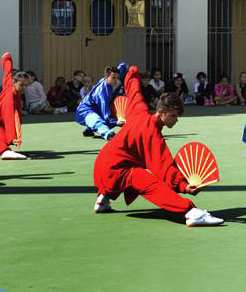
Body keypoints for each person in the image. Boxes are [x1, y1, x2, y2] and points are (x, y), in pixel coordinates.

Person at [92, 67, 223, 227]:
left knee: (129, 162)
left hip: (101, 164)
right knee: (151, 184)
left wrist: (132, 73)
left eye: (178, 117)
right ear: (161, 112)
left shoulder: (139, 110)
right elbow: (165, 167)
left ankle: (103, 199)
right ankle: (191, 212)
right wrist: (183, 185)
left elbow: (134, 92)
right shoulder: (153, 135)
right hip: (115, 170)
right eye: (173, 116)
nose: (176, 120)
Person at [76, 63, 126, 140]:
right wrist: (115, 122)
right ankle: (109, 135)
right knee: (97, 120)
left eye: (117, 78)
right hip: (84, 111)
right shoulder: (101, 92)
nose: (116, 80)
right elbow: (105, 113)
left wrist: (124, 66)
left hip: (96, 109)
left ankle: (89, 129)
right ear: (106, 77)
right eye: (113, 78)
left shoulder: (113, 81)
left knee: (102, 117)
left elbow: (122, 67)